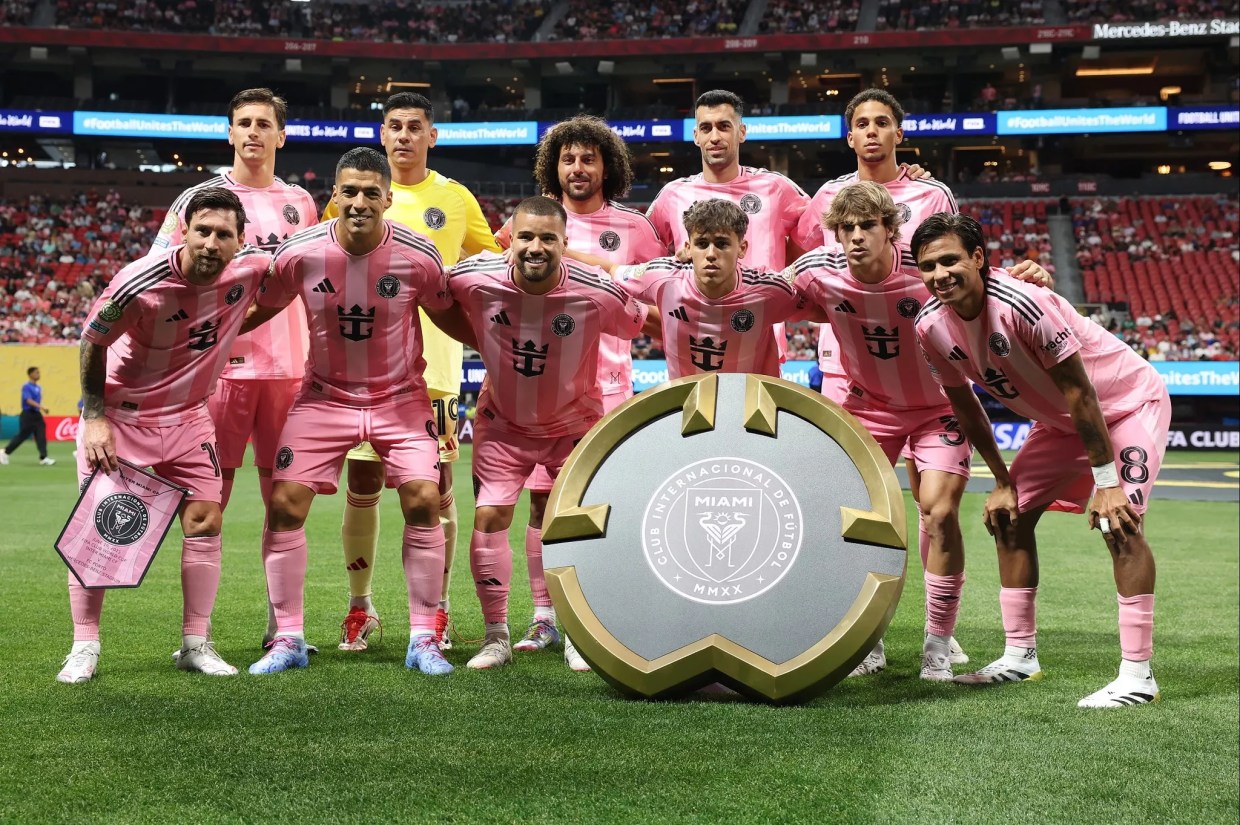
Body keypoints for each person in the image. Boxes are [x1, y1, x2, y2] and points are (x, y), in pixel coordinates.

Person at [912, 213, 1169, 708]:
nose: (940, 274)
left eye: (950, 260)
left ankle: (1138, 676)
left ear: (978, 259)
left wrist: (1107, 480)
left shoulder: (1023, 303)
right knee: (1007, 517)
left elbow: (1080, 390)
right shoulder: (930, 326)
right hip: (1060, 424)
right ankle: (1019, 655)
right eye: (928, 266)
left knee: (1120, 522)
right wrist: (1002, 479)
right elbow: (964, 404)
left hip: (1128, 406)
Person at [244, 147, 454, 676]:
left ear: (388, 198)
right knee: (285, 504)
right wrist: (204, 340)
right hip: (324, 397)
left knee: (425, 499)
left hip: (399, 398)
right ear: (333, 196)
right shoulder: (301, 252)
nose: (359, 202)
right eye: (349, 192)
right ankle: (288, 638)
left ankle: (423, 639)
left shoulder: (418, 255)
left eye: (370, 193)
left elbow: (454, 316)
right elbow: (259, 307)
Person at [426, 196, 650, 671]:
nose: (535, 247)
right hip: (503, 424)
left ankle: (579, 632)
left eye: (548, 238)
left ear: (564, 243)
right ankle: (495, 637)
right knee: (489, 518)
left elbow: (639, 322)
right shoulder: (476, 276)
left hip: (573, 426)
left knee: (579, 526)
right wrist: (479, 337)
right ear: (512, 239)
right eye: (526, 236)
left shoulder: (595, 290)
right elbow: (434, 297)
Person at [61, 187, 271, 683]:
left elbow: (285, 279)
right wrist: (94, 417)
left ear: (240, 241)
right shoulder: (139, 281)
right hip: (123, 419)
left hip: (189, 417)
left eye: (224, 234)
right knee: (102, 535)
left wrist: (233, 320)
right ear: (184, 232)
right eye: (203, 231)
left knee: (205, 520)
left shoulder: (250, 271)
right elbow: (92, 343)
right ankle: (84, 646)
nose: (211, 243)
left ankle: (196, 643)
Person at [794, 87, 965, 672]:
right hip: (850, 371)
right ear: (849, 135)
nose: (871, 132)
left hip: (928, 377)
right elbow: (798, 283)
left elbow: (961, 269)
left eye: (882, 122)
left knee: (932, 506)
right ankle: (865, 630)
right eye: (860, 123)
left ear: (899, 132)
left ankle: (940, 634)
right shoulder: (824, 199)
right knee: (854, 509)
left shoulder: (930, 194)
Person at [322, 93, 501, 655]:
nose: (403, 135)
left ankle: (438, 611)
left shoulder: (454, 198)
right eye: (394, 126)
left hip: (437, 371)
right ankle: (360, 607)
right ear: (382, 133)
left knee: (435, 491)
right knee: (364, 485)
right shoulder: (352, 197)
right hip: (359, 372)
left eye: (414, 127)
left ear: (432, 137)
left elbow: (492, 263)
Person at [495, 115, 665, 671]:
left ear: (606, 166)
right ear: (554, 166)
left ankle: (596, 613)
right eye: (568, 158)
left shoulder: (636, 229)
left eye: (588, 158)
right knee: (543, 502)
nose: (577, 167)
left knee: (604, 504)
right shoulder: (530, 224)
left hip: (611, 388)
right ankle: (545, 616)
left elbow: (658, 299)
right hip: (545, 387)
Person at [152, 88, 318, 649]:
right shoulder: (196, 200)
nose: (252, 132)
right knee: (207, 505)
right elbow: (160, 271)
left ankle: (283, 631)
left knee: (285, 502)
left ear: (281, 134)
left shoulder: (301, 203)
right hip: (218, 374)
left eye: (263, 123)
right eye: (242, 123)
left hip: (290, 373)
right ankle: (197, 638)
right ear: (228, 133)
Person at [645, 89, 809, 364]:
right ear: (696, 136)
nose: (715, 137)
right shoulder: (672, 195)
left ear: (741, 132)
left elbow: (821, 238)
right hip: (693, 347)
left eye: (724, 127)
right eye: (706, 128)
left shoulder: (775, 188)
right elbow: (645, 259)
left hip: (761, 341)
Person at [607, 199, 807, 379]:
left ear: (742, 248)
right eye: (702, 244)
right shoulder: (662, 276)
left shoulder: (770, 290)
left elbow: (820, 307)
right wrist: (573, 255)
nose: (711, 254)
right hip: (686, 406)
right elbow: (610, 270)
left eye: (722, 244)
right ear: (687, 248)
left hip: (753, 410)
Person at [1, 367, 53, 466]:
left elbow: (35, 400)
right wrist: (42, 407)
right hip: (27, 414)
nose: (38, 374)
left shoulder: (39, 387)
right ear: (30, 374)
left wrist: (40, 408)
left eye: (39, 372)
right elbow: (28, 400)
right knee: (22, 435)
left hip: (37, 415)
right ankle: (5, 452)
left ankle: (43, 457)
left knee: (41, 435)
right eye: (36, 373)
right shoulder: (26, 386)